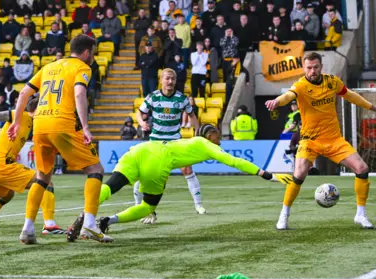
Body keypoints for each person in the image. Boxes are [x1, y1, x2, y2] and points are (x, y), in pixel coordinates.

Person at [8, 35, 110, 244]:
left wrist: (17, 122)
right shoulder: (82, 67)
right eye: (93, 51)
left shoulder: (49, 67)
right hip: (61, 123)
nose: (94, 55)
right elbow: (80, 93)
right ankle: (90, 224)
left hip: (40, 125)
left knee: (42, 177)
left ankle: (27, 228)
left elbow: (24, 92)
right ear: (86, 52)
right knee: (95, 170)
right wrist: (86, 127)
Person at [96, 125, 287, 235]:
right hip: (159, 160)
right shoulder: (205, 144)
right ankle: (108, 221)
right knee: (148, 207)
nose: (219, 139)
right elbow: (233, 161)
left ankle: (88, 213)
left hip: (140, 149)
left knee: (111, 186)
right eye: (217, 135)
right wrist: (264, 174)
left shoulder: (190, 142)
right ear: (210, 135)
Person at [265, 52, 376, 230]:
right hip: (310, 141)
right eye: (309, 68)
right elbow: (288, 96)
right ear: (304, 68)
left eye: (316, 67)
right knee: (299, 173)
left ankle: (360, 214)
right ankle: (284, 214)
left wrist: (372, 107)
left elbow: (350, 95)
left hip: (334, 140)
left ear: (321, 67)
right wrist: (276, 102)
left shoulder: (332, 82)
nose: (313, 71)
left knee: (362, 168)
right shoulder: (300, 86)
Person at [0, 97, 64, 233]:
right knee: (46, 183)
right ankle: (49, 225)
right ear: (37, 109)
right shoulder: (20, 116)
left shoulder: (31, 123)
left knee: (6, 196)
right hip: (1, 165)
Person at [137, 68, 204, 221]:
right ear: (161, 80)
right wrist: (142, 123)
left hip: (175, 140)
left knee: (187, 168)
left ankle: (199, 205)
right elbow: (140, 113)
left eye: (173, 79)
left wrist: (198, 134)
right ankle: (141, 208)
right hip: (155, 141)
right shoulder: (153, 97)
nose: (170, 82)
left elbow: (192, 116)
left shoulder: (182, 99)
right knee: (145, 174)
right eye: (167, 78)